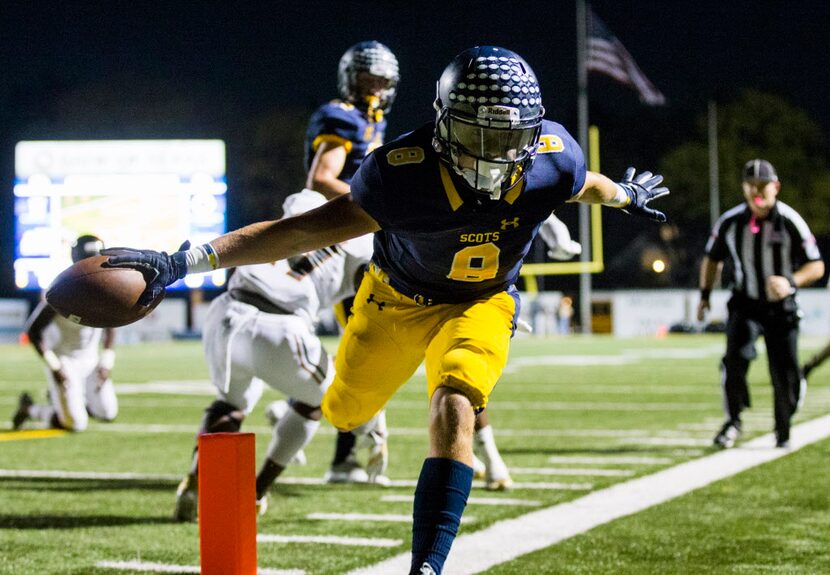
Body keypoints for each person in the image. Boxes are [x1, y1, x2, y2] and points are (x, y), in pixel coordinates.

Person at [104, 46, 669, 575]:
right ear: (444, 121)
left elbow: (582, 182)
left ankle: (427, 564)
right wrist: (187, 260)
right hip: (394, 300)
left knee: (455, 401)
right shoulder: (401, 171)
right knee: (346, 412)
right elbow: (295, 231)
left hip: (482, 301)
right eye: (479, 134)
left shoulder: (551, 156)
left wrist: (624, 192)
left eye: (509, 137)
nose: (496, 153)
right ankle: (318, 418)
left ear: (531, 130)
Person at [173, 189, 375, 521]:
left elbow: (288, 227)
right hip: (280, 327)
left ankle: (193, 486)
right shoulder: (366, 236)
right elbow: (363, 298)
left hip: (226, 311)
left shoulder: (306, 200)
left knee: (230, 404)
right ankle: (256, 492)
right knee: (320, 400)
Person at [302, 40, 399, 484]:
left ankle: (338, 450)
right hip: (342, 242)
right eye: (368, 79)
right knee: (357, 349)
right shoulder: (342, 116)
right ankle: (337, 453)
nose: (375, 88)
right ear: (351, 79)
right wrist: (381, 206)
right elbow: (321, 179)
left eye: (382, 80)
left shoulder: (369, 119)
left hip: (357, 238)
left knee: (358, 350)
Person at [697, 159, 823, 449]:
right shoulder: (730, 221)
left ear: (775, 187)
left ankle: (783, 429)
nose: (756, 191)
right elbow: (712, 259)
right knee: (735, 360)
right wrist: (704, 295)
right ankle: (733, 422)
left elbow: (816, 266)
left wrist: (790, 282)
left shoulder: (790, 220)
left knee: (784, 372)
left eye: (762, 186)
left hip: (782, 307)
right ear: (743, 188)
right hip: (746, 303)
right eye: (750, 185)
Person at [12, 235, 118, 432]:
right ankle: (30, 409)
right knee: (75, 424)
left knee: (107, 412)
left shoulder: (106, 286)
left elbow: (111, 324)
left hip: (91, 359)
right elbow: (34, 331)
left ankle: (67, 401)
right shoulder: (63, 289)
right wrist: (54, 366)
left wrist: (106, 361)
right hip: (65, 361)